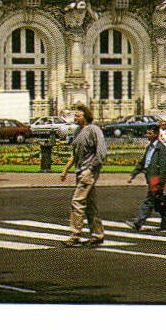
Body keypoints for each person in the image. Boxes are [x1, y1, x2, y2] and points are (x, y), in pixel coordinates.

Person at [59, 104, 107, 247]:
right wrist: (65, 169)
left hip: (88, 171)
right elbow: (75, 154)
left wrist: (91, 169)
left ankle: (75, 235)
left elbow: (101, 152)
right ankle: (98, 235)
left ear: (85, 116)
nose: (75, 118)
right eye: (75, 115)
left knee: (77, 201)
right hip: (80, 171)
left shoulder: (94, 130)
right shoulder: (78, 131)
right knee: (90, 205)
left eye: (78, 116)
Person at [126, 123, 166, 232]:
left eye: (150, 133)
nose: (147, 135)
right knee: (158, 201)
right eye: (147, 133)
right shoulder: (150, 147)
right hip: (152, 178)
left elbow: (163, 167)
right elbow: (143, 163)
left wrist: (161, 182)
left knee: (149, 201)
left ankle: (138, 223)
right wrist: (133, 174)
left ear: (156, 134)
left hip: (157, 179)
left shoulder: (160, 149)